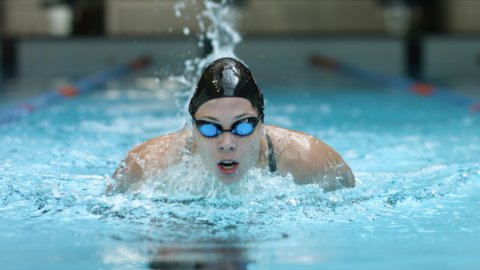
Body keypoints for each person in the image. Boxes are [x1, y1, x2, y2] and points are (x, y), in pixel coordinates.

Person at [110, 57, 354, 192]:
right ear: (192, 127)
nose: (226, 144)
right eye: (209, 128)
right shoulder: (146, 165)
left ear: (261, 126)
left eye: (242, 127)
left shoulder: (310, 162)